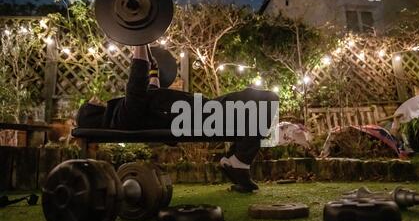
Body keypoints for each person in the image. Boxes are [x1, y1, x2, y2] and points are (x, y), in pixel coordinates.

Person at [76, 46, 279, 193]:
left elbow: (150, 89)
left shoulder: (124, 114)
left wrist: (152, 66)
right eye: (92, 103)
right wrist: (139, 42)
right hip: (198, 116)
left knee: (257, 106)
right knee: (266, 100)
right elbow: (137, 82)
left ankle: (237, 162)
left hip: (200, 111)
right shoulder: (121, 117)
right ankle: (239, 161)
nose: (95, 99)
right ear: (92, 114)